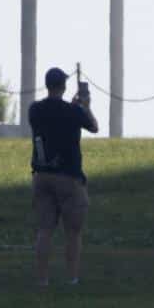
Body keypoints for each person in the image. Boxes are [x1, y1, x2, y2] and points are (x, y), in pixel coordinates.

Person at [29, 65, 100, 287]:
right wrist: (85, 107)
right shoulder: (74, 112)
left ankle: (42, 280)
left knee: (44, 230)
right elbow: (94, 127)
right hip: (68, 176)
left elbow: (53, 119)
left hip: (41, 174)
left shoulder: (35, 109)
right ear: (64, 86)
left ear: (47, 84)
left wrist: (72, 108)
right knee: (73, 232)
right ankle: (72, 278)